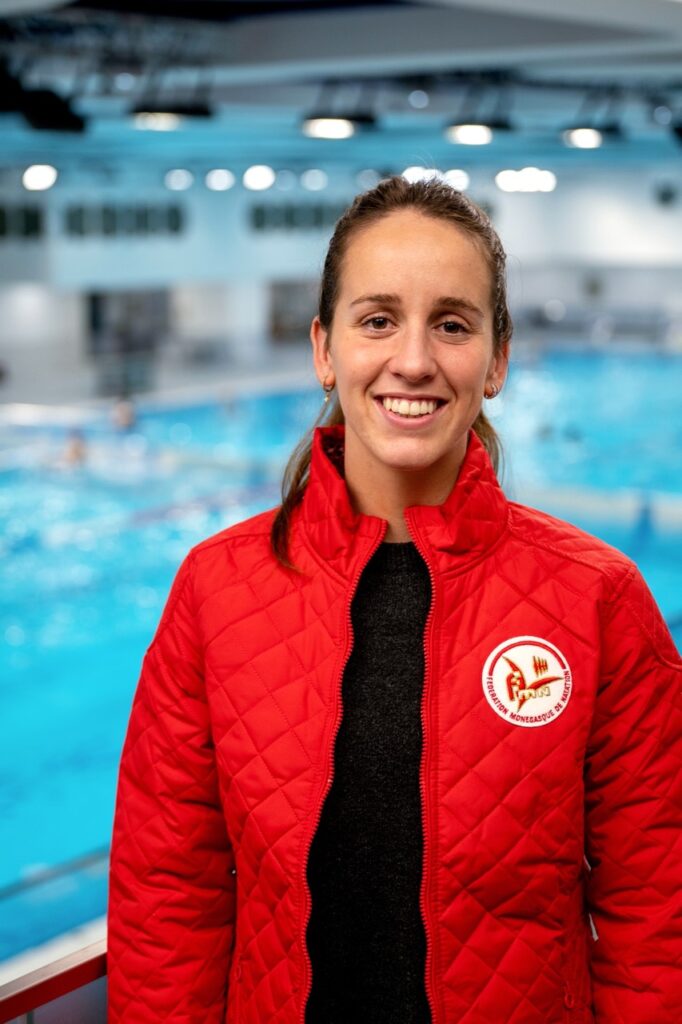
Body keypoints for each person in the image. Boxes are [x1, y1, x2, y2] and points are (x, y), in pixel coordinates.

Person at [107, 176, 682, 1024]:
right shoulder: (216, 589)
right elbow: (168, 899)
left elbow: (654, 913)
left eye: (452, 324)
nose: (413, 359)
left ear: (497, 360)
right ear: (324, 351)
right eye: (378, 319)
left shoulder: (597, 598)